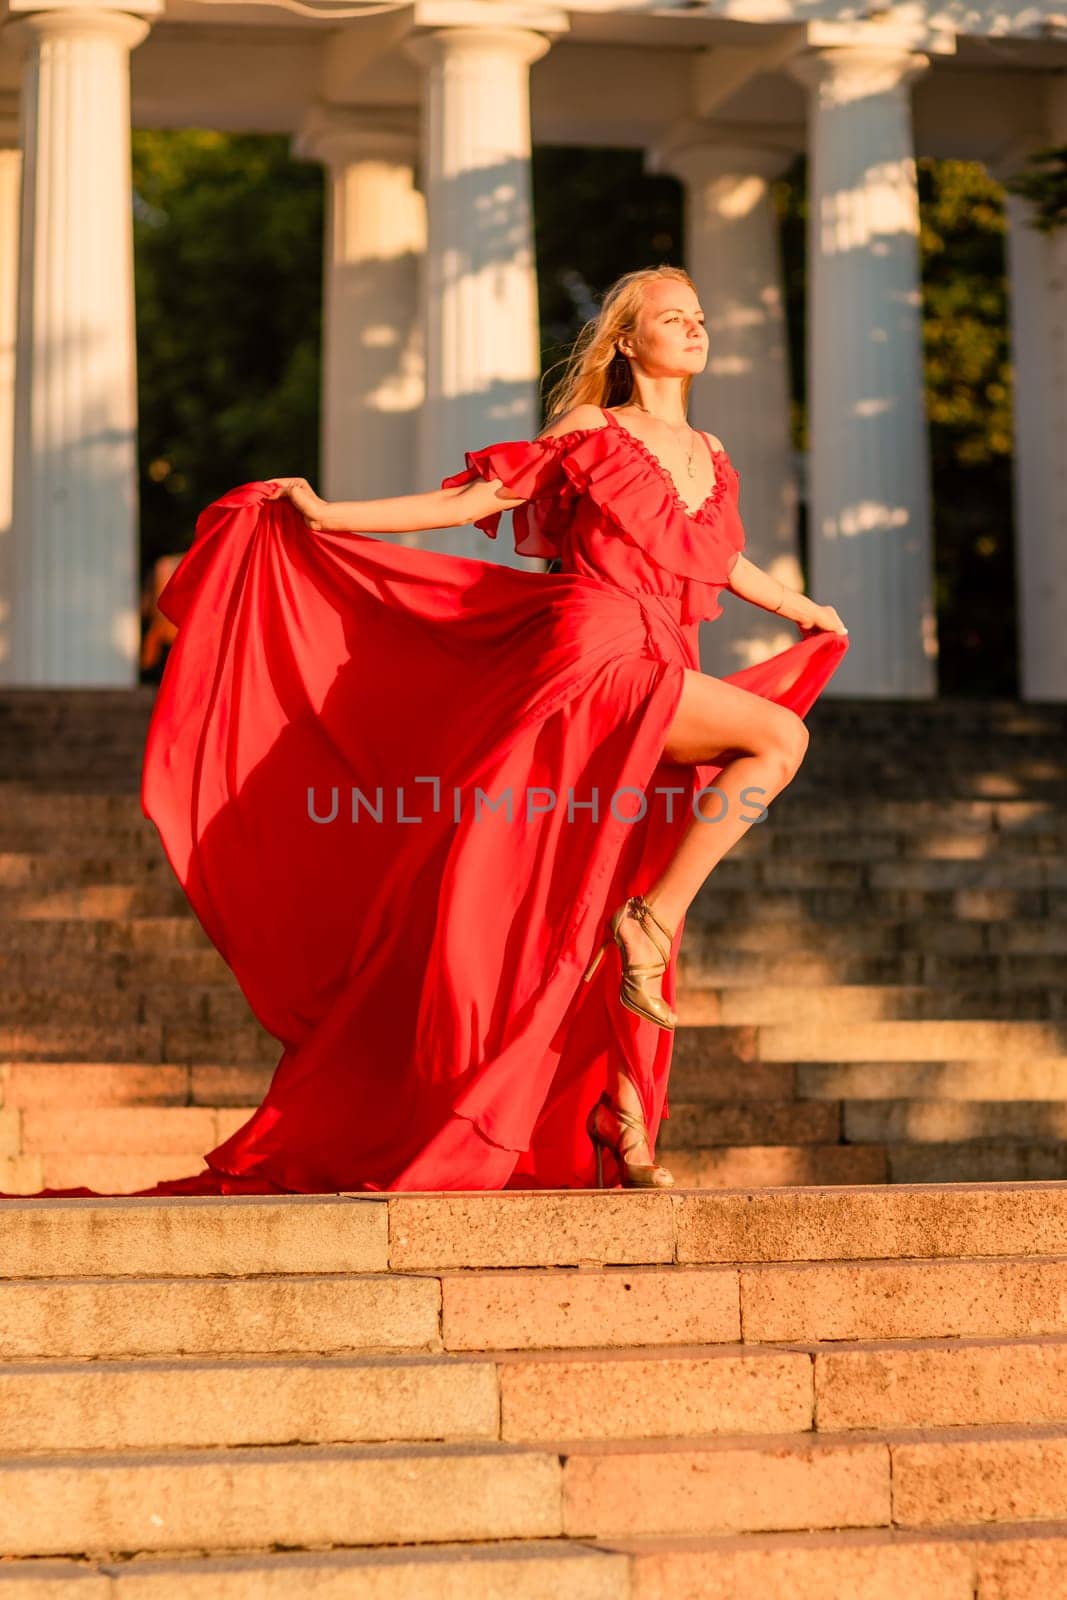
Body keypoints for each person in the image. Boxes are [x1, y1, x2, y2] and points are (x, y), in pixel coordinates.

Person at [0, 264, 849, 1200]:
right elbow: (473, 503)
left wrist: (801, 605)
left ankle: (622, 1119)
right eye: (671, 318)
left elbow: (718, 557)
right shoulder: (589, 432)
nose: (693, 330)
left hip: (666, 656)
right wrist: (330, 513)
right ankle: (650, 920)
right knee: (777, 740)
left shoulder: (710, 450)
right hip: (595, 659)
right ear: (624, 341)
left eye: (699, 317)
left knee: (604, 879)